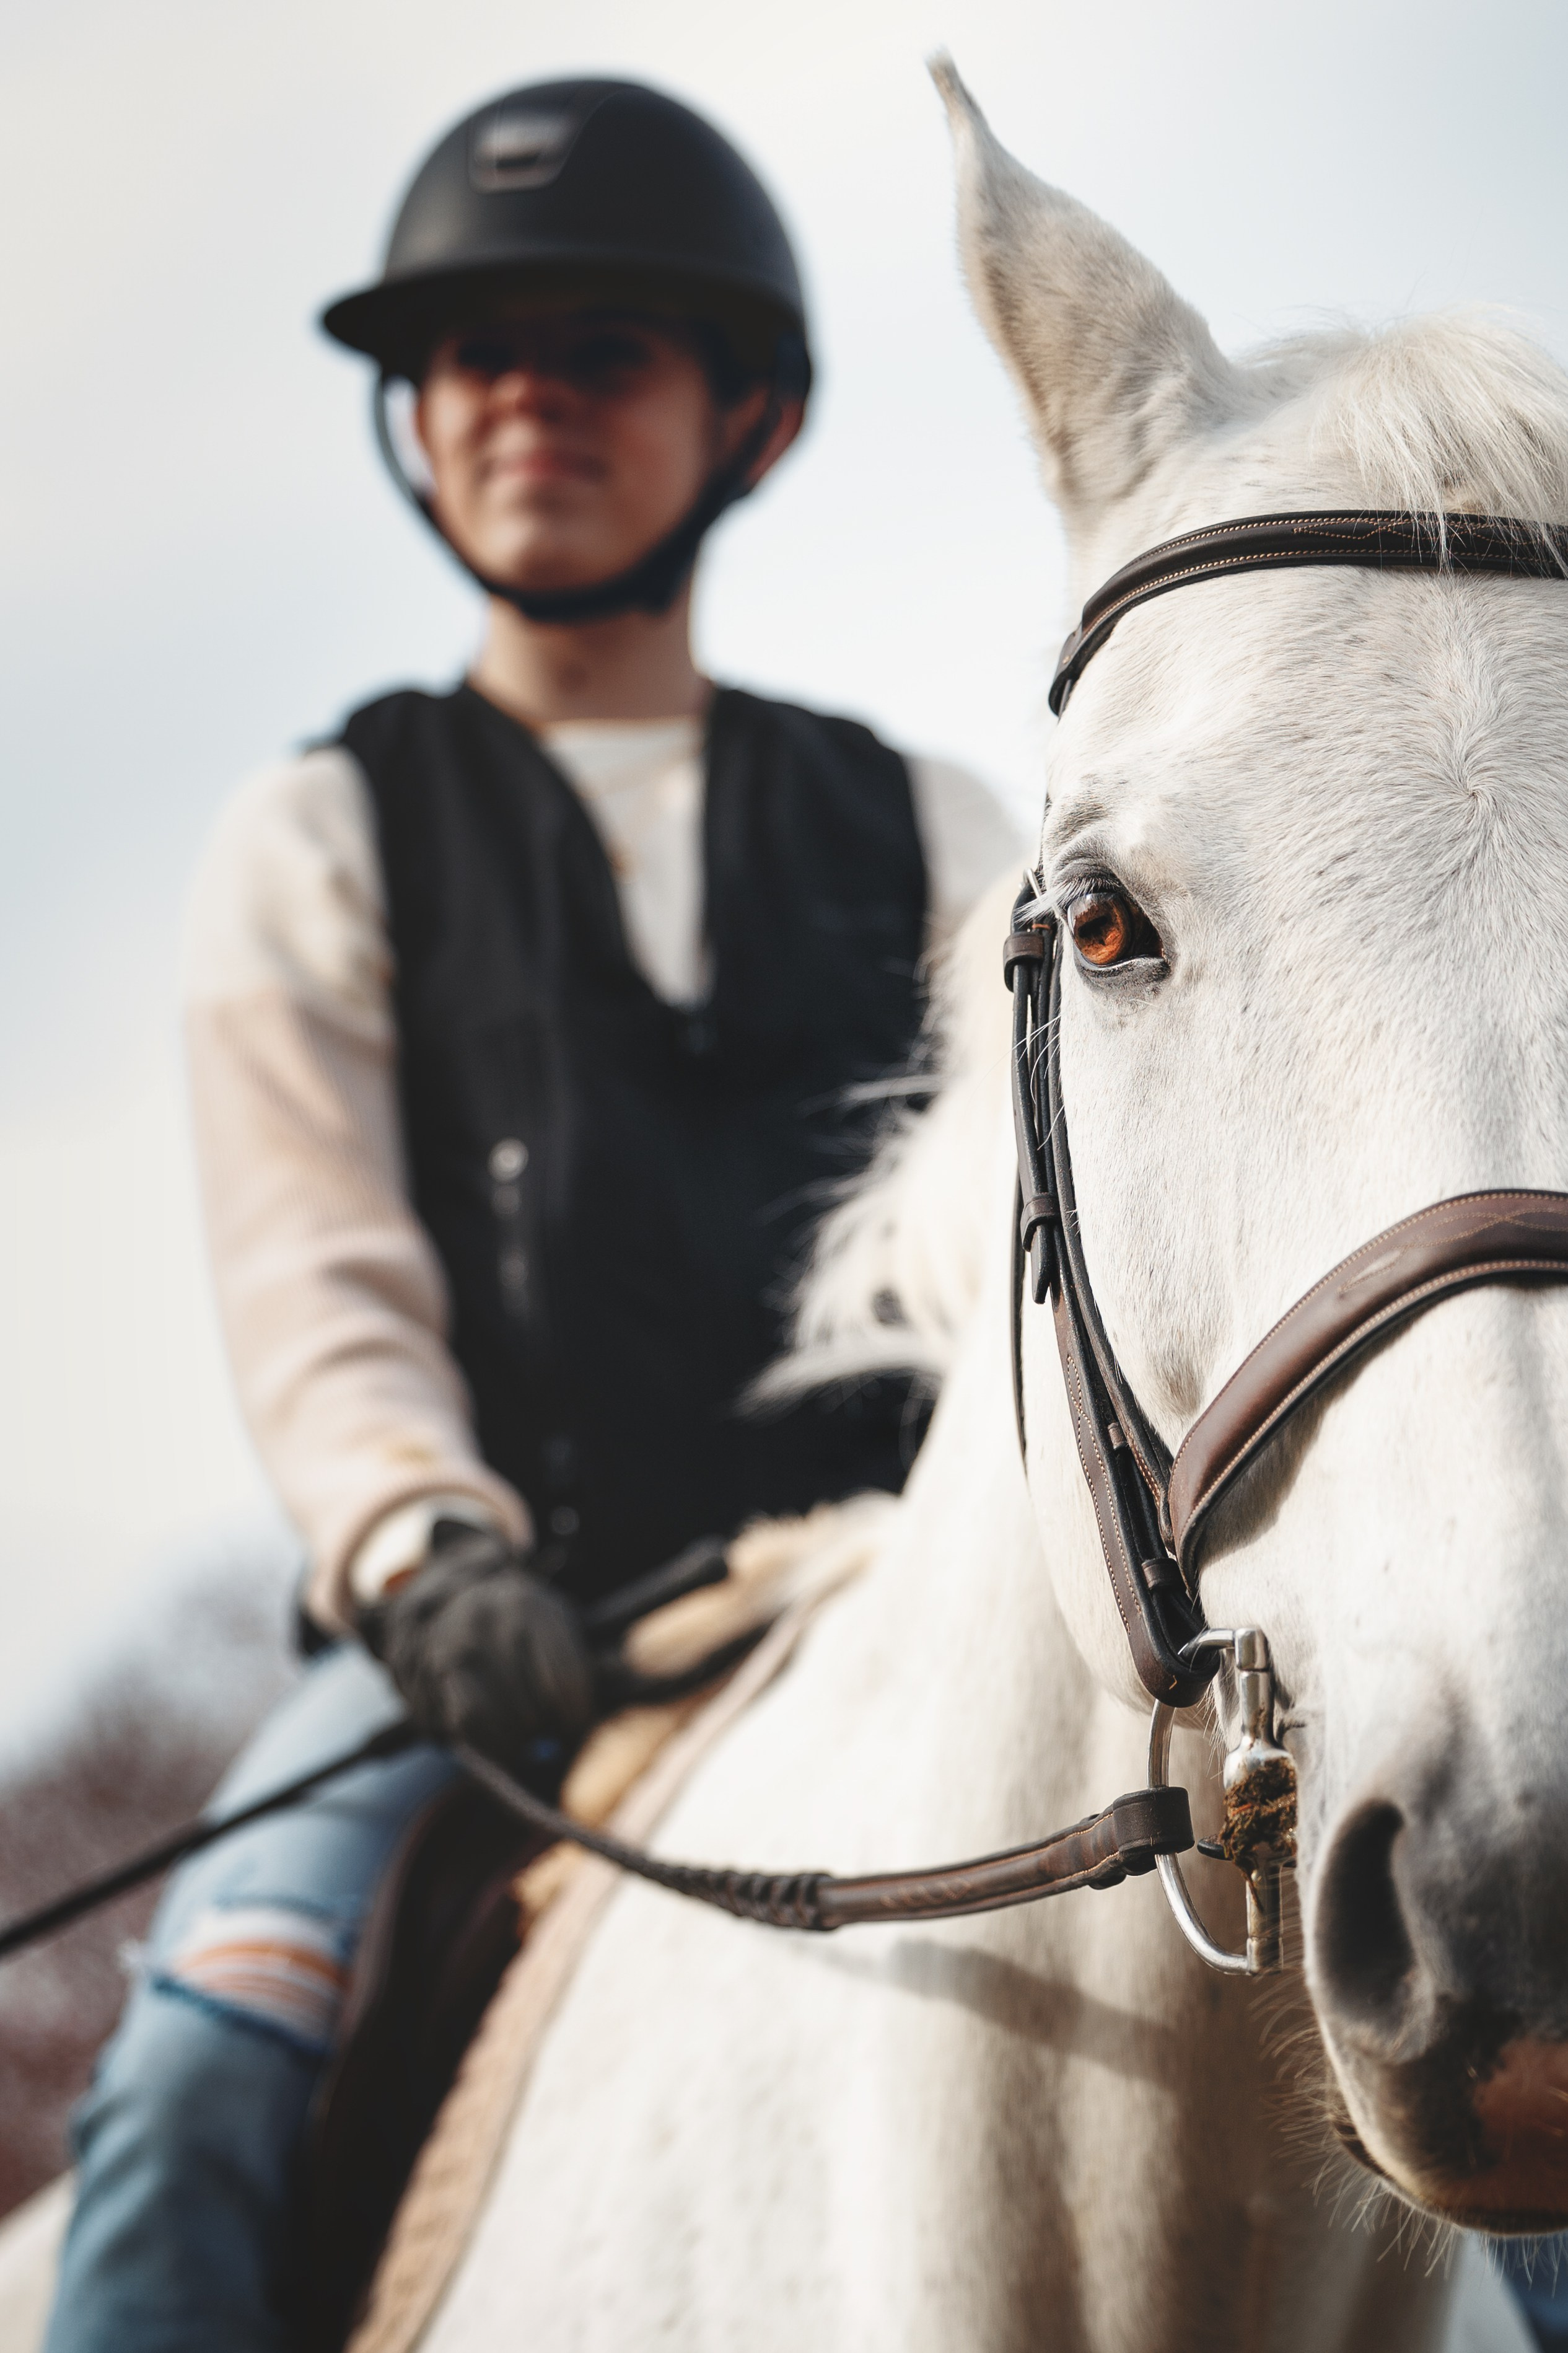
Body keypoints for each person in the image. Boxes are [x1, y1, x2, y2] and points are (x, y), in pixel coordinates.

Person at [43, 76, 1020, 2351]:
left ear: (746, 415)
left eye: (600, 352)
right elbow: (322, 1285)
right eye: (474, 358)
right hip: (487, 1640)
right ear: (413, 417)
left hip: (901, 1596)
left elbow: (1028, 1236)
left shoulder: (936, 825)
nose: (523, 403)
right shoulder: (320, 832)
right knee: (192, 2081)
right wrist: (420, 1547)